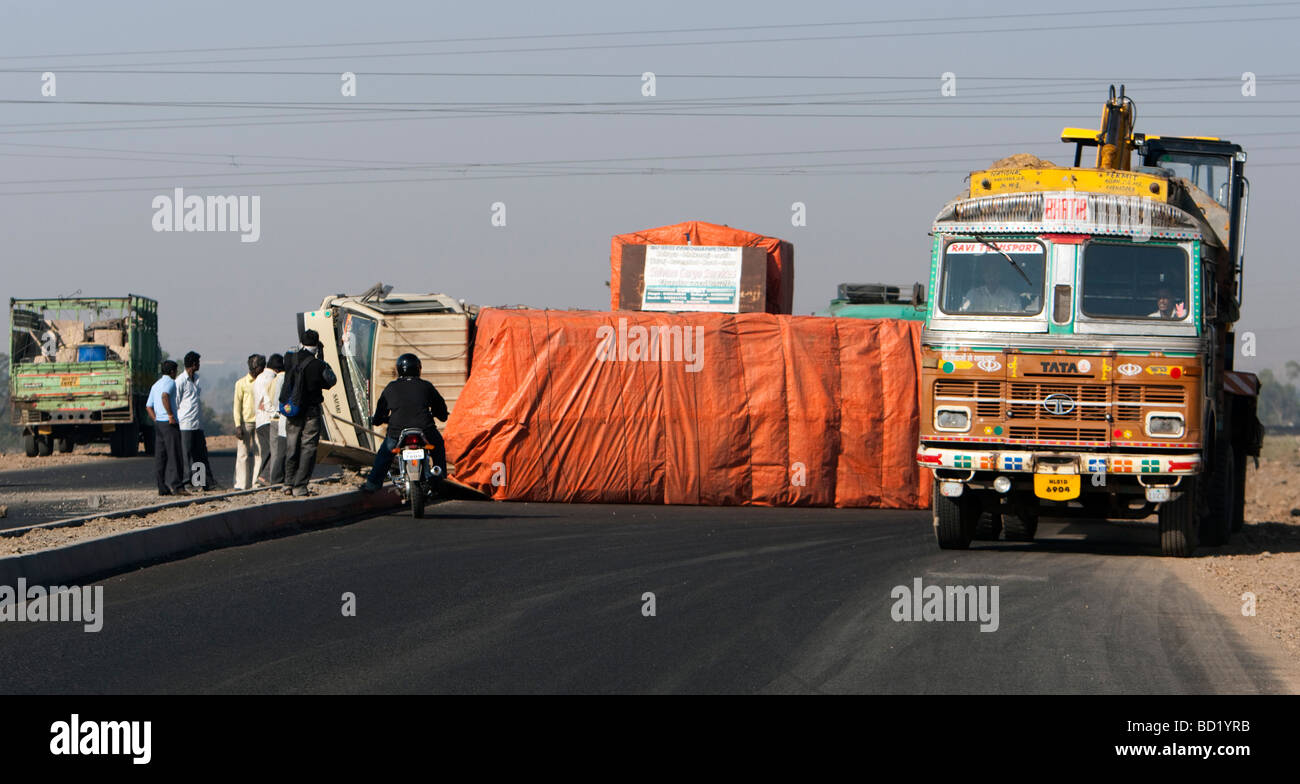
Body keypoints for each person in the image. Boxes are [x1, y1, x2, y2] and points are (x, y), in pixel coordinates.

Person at [362, 353, 449, 493]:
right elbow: (440, 407)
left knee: (385, 455)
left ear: (398, 369)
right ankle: (440, 477)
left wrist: (377, 420)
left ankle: (372, 484)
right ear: (418, 368)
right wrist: (442, 416)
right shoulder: (426, 386)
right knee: (437, 446)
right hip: (425, 429)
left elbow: (381, 410)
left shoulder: (391, 387)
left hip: (397, 431)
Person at [281, 331, 336, 496]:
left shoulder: (289, 358)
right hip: (311, 411)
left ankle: (287, 483)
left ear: (301, 342)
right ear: (317, 344)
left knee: (292, 445)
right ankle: (300, 486)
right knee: (308, 447)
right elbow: (330, 381)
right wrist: (322, 357)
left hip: (293, 409)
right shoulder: (318, 365)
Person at [175, 350, 220, 490]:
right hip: (185, 424)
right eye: (198, 362)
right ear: (193, 364)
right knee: (187, 455)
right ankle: (188, 482)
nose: (199, 365)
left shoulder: (197, 379)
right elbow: (175, 402)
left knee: (200, 454)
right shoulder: (180, 381)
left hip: (197, 423)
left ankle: (203, 482)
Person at [145, 360, 188, 496]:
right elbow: (165, 396)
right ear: (172, 372)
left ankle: (161, 487)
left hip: (159, 424)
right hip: (169, 424)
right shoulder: (170, 382)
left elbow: (148, 406)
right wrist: (170, 415)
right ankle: (178, 486)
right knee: (175, 455)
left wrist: (156, 419)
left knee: (161, 457)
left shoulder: (155, 385)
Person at [232, 354, 265, 490]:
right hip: (246, 422)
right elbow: (237, 405)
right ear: (255, 367)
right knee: (243, 454)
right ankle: (241, 484)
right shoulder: (241, 383)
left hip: (260, 421)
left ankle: (256, 483)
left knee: (260, 453)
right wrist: (238, 425)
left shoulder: (264, 381)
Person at [253, 353, 282, 486]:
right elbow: (269, 401)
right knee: (276, 449)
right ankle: (265, 477)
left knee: (267, 451)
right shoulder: (272, 378)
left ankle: (262, 478)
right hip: (269, 418)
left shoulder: (259, 378)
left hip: (259, 420)